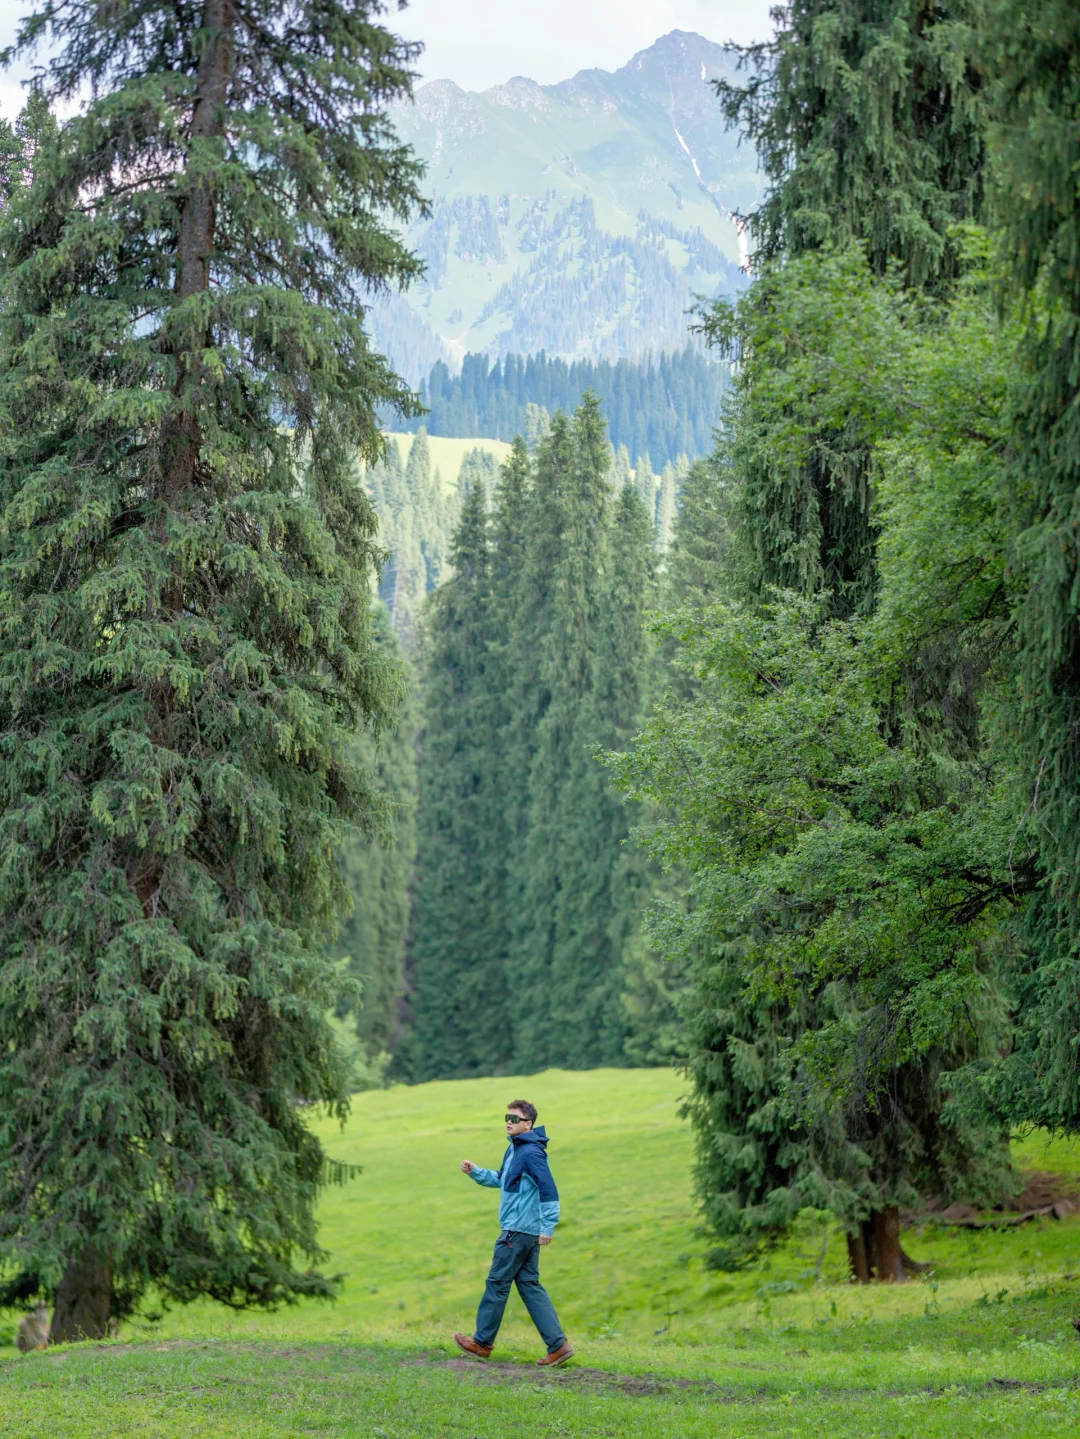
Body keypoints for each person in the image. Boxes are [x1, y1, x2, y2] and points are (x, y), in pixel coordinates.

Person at [454, 1099, 574, 1366]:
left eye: (515, 1118)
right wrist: (476, 1173)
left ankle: (481, 1344)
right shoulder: (515, 1150)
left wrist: (548, 1226)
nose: (509, 1121)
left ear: (528, 1124)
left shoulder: (530, 1153)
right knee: (530, 1286)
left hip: (518, 1232)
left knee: (497, 1283)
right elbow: (502, 1180)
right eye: (507, 1117)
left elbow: (548, 1189)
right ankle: (558, 1346)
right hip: (524, 1232)